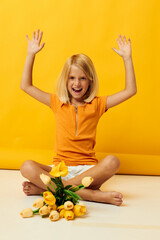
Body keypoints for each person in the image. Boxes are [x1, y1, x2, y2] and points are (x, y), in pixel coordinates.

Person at [20, 29, 137, 206]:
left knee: (113, 161)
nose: (77, 83)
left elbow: (130, 91)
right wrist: (31, 54)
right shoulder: (56, 102)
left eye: (83, 78)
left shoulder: (97, 104)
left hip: (89, 171)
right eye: (72, 78)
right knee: (26, 166)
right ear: (65, 80)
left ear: (90, 80)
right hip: (60, 170)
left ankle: (48, 189)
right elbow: (26, 86)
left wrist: (127, 58)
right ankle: (92, 195)